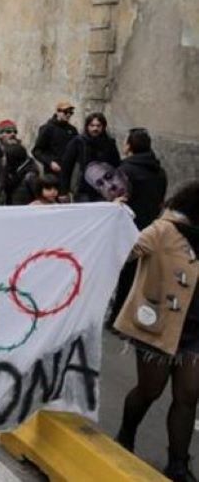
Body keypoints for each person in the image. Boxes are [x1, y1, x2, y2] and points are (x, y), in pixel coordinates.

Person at [113, 181, 199, 481]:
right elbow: (127, 250)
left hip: (194, 333)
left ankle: (178, 463)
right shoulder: (164, 230)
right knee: (151, 390)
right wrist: (114, 219)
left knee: (188, 395)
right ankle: (126, 432)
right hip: (158, 326)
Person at [109, 128, 170, 326]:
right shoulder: (160, 171)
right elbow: (161, 201)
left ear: (130, 146)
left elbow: (119, 198)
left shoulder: (126, 170)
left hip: (127, 227)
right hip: (150, 227)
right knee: (140, 273)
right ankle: (135, 315)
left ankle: (118, 318)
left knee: (124, 272)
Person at [60, 112, 120, 202]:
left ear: (103, 127)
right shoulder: (78, 142)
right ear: (87, 126)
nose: (95, 128)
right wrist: (64, 191)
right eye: (92, 125)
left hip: (104, 188)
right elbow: (66, 166)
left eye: (98, 126)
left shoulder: (109, 143)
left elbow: (116, 165)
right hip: (82, 189)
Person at [32, 100, 78, 178]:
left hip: (69, 171)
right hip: (52, 172)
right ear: (58, 112)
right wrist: (50, 162)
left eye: (71, 113)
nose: (68, 115)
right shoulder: (47, 128)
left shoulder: (72, 130)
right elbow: (37, 151)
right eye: (66, 112)